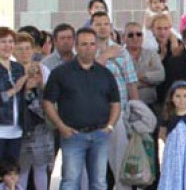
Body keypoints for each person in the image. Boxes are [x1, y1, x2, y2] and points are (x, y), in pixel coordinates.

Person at [43, 28, 121, 190]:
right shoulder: (61, 73)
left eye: (92, 44)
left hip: (100, 135)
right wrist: (61, 127)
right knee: (70, 182)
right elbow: (48, 102)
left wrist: (110, 126)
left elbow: (115, 102)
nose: (89, 48)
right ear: (76, 46)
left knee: (99, 182)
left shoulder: (105, 73)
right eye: (84, 44)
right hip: (73, 136)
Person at [90, 11, 139, 190]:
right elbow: (85, 75)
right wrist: (104, 57)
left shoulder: (122, 52)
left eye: (105, 23)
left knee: (120, 161)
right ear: (91, 27)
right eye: (98, 24)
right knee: (95, 163)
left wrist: (134, 112)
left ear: (110, 27)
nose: (102, 27)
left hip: (119, 113)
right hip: (93, 115)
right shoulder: (85, 50)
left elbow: (131, 83)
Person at [12, 34, 51, 190]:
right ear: (14, 51)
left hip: (41, 126)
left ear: (34, 49)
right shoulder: (12, 71)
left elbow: (51, 96)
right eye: (20, 49)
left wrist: (40, 85)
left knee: (41, 168)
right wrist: (26, 89)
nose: (24, 52)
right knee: (22, 169)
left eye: (27, 48)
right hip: (20, 126)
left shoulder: (43, 69)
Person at [0, 28, 30, 162]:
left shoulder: (18, 67)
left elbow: (25, 97)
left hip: (17, 128)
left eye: (11, 41)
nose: (8, 45)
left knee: (11, 171)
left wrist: (30, 87)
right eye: (3, 42)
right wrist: (14, 89)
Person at [151, 14, 186, 112]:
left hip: (176, 98)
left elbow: (185, 71)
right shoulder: (149, 46)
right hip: (156, 97)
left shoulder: (177, 46)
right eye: (159, 28)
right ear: (153, 30)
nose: (162, 32)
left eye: (166, 28)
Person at [123, 22, 165, 106]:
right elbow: (120, 83)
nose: (135, 38)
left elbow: (160, 76)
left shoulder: (151, 54)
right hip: (125, 105)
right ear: (123, 37)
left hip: (150, 104)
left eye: (139, 34)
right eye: (130, 35)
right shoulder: (119, 56)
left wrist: (141, 76)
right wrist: (148, 82)